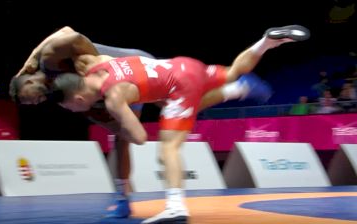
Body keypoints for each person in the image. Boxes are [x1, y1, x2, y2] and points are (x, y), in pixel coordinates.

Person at [51, 25, 310, 223]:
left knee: (168, 149)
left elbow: (139, 137)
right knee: (231, 72)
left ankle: (176, 206)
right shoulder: (98, 64)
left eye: (71, 107)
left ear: (79, 97)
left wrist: (118, 123)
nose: (74, 111)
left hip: (178, 87)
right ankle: (265, 42)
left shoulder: (113, 98)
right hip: (182, 65)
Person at [8, 26, 154, 218]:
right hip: (127, 87)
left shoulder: (48, 61)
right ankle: (123, 199)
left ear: (27, 82)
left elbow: (71, 33)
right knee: (121, 139)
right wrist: (118, 125)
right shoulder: (62, 96)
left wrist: (99, 70)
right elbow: (99, 118)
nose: (35, 102)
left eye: (29, 98)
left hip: (134, 64)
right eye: (31, 104)